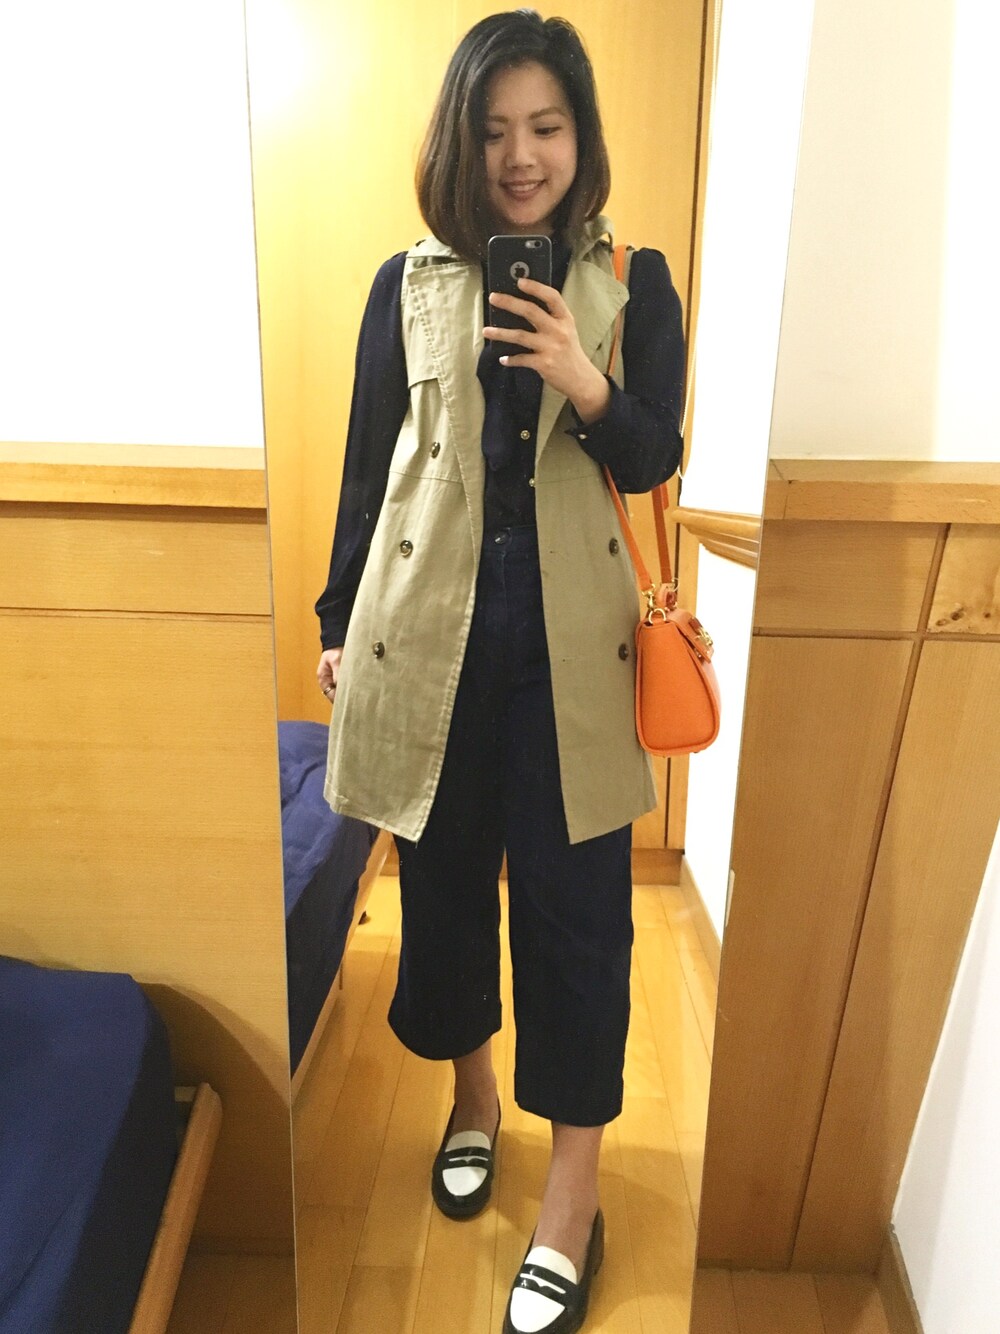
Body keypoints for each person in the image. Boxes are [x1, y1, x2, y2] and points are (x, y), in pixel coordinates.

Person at [315, 11, 684, 1332]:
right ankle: (473, 1099)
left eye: (546, 127)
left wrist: (586, 377)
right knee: (447, 893)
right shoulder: (405, 286)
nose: (521, 157)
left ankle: (572, 1200)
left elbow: (654, 455)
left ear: (580, 139)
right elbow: (370, 463)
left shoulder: (633, 280)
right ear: (459, 145)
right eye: (494, 130)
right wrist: (336, 617)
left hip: (572, 653)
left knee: (580, 924)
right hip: (434, 642)